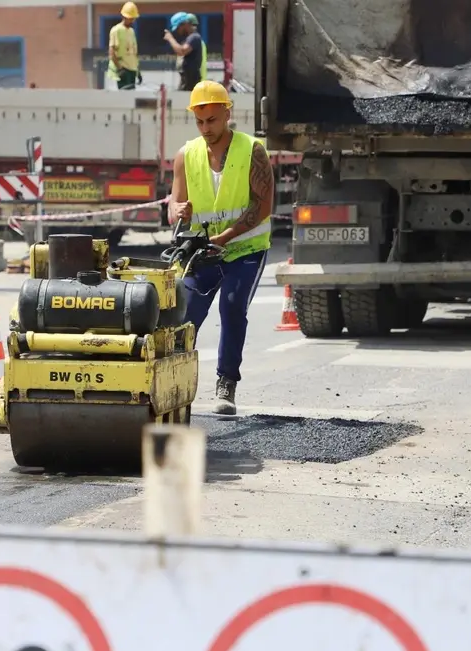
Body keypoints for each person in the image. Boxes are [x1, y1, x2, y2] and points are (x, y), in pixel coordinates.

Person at [168, 80, 274, 415]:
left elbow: (263, 206)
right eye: (199, 121)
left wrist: (224, 239)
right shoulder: (186, 155)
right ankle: (174, 383)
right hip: (202, 253)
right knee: (184, 315)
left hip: (245, 249)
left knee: (231, 307)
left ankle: (226, 382)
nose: (205, 128)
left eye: (212, 120)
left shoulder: (252, 150)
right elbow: (175, 201)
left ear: (227, 113)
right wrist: (176, 210)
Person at [163, 12, 206, 91]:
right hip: (187, 80)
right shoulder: (190, 38)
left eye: (178, 28)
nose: (178, 31)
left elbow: (182, 51)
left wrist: (170, 38)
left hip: (192, 82)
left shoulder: (194, 37)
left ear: (185, 24)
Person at [107, 2, 141, 91]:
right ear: (124, 16)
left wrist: (138, 71)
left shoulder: (131, 31)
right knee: (124, 99)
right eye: (130, 18)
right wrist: (120, 69)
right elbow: (112, 52)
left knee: (131, 100)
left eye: (133, 18)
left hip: (132, 70)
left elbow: (134, 53)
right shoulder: (116, 30)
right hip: (123, 70)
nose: (132, 20)